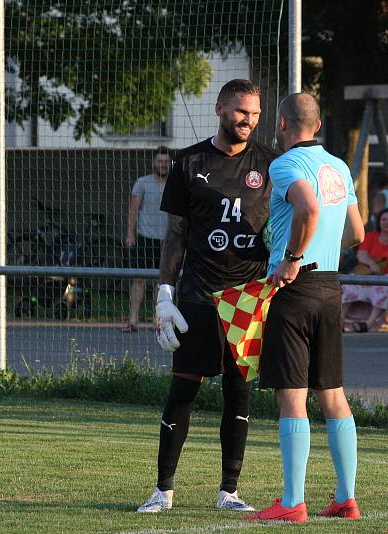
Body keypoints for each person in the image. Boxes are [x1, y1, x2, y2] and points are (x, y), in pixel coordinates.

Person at [137, 79, 278, 513]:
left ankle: (229, 492)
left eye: (254, 114)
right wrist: (164, 294)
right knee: (183, 390)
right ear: (220, 109)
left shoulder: (272, 164)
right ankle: (163, 491)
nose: (248, 121)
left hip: (249, 299)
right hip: (199, 294)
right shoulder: (188, 161)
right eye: (240, 112)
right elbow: (175, 235)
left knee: (239, 393)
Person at [245, 92, 365, 523]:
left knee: (291, 397)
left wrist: (291, 257)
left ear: (280, 123)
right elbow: (357, 234)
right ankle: (345, 497)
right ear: (317, 125)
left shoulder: (284, 164)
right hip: (331, 286)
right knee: (332, 394)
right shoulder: (339, 166)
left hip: (294, 289)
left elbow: (308, 207)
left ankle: (293, 502)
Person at [123, 146, 171, 332]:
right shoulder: (142, 183)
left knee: (161, 282)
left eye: (166, 162)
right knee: (139, 279)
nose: (163, 164)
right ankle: (133, 320)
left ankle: (157, 321)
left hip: (167, 241)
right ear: (154, 163)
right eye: (160, 161)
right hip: (145, 238)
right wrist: (130, 234)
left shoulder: (174, 184)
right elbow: (133, 209)